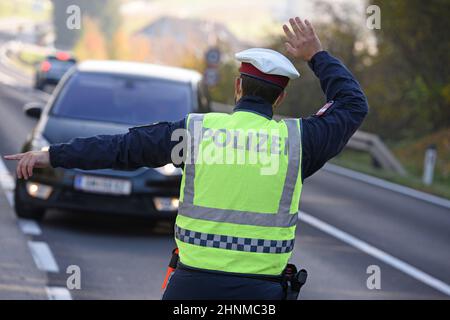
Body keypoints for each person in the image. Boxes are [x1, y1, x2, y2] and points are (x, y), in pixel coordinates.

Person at [4, 17, 368, 299]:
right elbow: (353, 104)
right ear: (280, 99)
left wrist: (52, 155)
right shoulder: (299, 142)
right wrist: (317, 55)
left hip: (192, 290)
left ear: (238, 87)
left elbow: (122, 148)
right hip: (261, 294)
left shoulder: (194, 134)